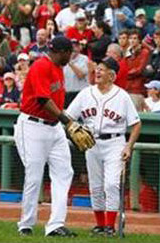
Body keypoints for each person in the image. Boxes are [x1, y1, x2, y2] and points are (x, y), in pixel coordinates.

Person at [66, 57, 142, 237]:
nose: (98, 72)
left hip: (115, 142)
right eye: (97, 68)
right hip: (91, 143)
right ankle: (100, 225)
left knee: (111, 184)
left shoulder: (122, 96)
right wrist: (73, 128)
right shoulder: (86, 93)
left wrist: (128, 147)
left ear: (112, 75)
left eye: (103, 69)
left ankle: (110, 226)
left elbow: (136, 124)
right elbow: (68, 115)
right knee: (96, 186)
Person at [14, 36, 78, 237]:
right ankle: (26, 223)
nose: (71, 56)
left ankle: (55, 225)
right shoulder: (42, 66)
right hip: (33, 125)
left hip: (54, 127)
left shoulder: (58, 67)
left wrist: (62, 121)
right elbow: (42, 100)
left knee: (64, 172)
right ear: (62, 52)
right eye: (70, 52)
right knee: (34, 174)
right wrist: (67, 121)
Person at [125, 29, 150, 111]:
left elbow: (140, 69)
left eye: (135, 38)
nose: (132, 40)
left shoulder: (144, 52)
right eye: (131, 38)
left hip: (138, 88)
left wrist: (125, 74)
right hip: (127, 87)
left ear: (139, 40)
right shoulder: (128, 52)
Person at [63, 39, 89, 107]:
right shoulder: (62, 59)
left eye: (76, 46)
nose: (73, 49)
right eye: (71, 47)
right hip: (66, 94)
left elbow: (81, 75)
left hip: (80, 93)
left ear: (79, 48)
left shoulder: (84, 59)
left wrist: (69, 62)